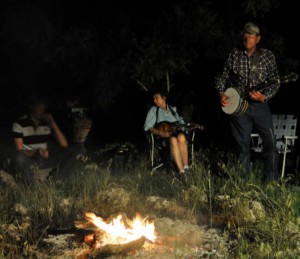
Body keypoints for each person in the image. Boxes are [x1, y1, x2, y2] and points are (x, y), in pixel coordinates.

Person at [215, 22, 280, 181]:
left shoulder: (267, 56)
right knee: (242, 146)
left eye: (251, 35)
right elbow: (221, 77)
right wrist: (221, 93)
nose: (247, 38)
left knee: (270, 143)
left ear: (258, 38)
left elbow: (276, 81)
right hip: (238, 108)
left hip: (260, 107)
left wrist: (264, 97)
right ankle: (243, 182)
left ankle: (271, 181)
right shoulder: (234, 54)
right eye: (245, 35)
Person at [12, 94, 86, 184]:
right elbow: (19, 150)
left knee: (79, 148)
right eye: (39, 108)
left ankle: (54, 180)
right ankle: (30, 183)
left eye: (43, 108)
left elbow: (64, 144)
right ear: (31, 108)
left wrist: (53, 123)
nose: (42, 111)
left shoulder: (46, 123)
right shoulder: (19, 124)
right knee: (19, 157)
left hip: (48, 159)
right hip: (31, 160)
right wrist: (36, 151)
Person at [144, 88, 189, 178]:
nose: (154, 100)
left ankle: (186, 168)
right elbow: (148, 127)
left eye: (156, 98)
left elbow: (181, 123)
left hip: (176, 133)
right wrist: (161, 133)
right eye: (154, 98)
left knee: (181, 137)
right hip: (163, 137)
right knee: (173, 140)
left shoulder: (173, 109)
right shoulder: (153, 110)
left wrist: (186, 128)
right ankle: (182, 173)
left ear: (164, 98)